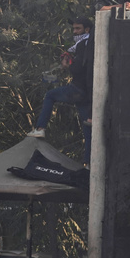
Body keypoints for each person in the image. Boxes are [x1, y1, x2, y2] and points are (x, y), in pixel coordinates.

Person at [27, 17, 94, 166]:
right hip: (88, 94)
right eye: (74, 29)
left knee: (50, 95)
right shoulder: (89, 43)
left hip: (78, 89)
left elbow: (78, 68)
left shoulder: (85, 44)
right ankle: (88, 163)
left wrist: (67, 64)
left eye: (78, 29)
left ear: (87, 30)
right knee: (87, 129)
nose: (75, 32)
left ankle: (40, 128)